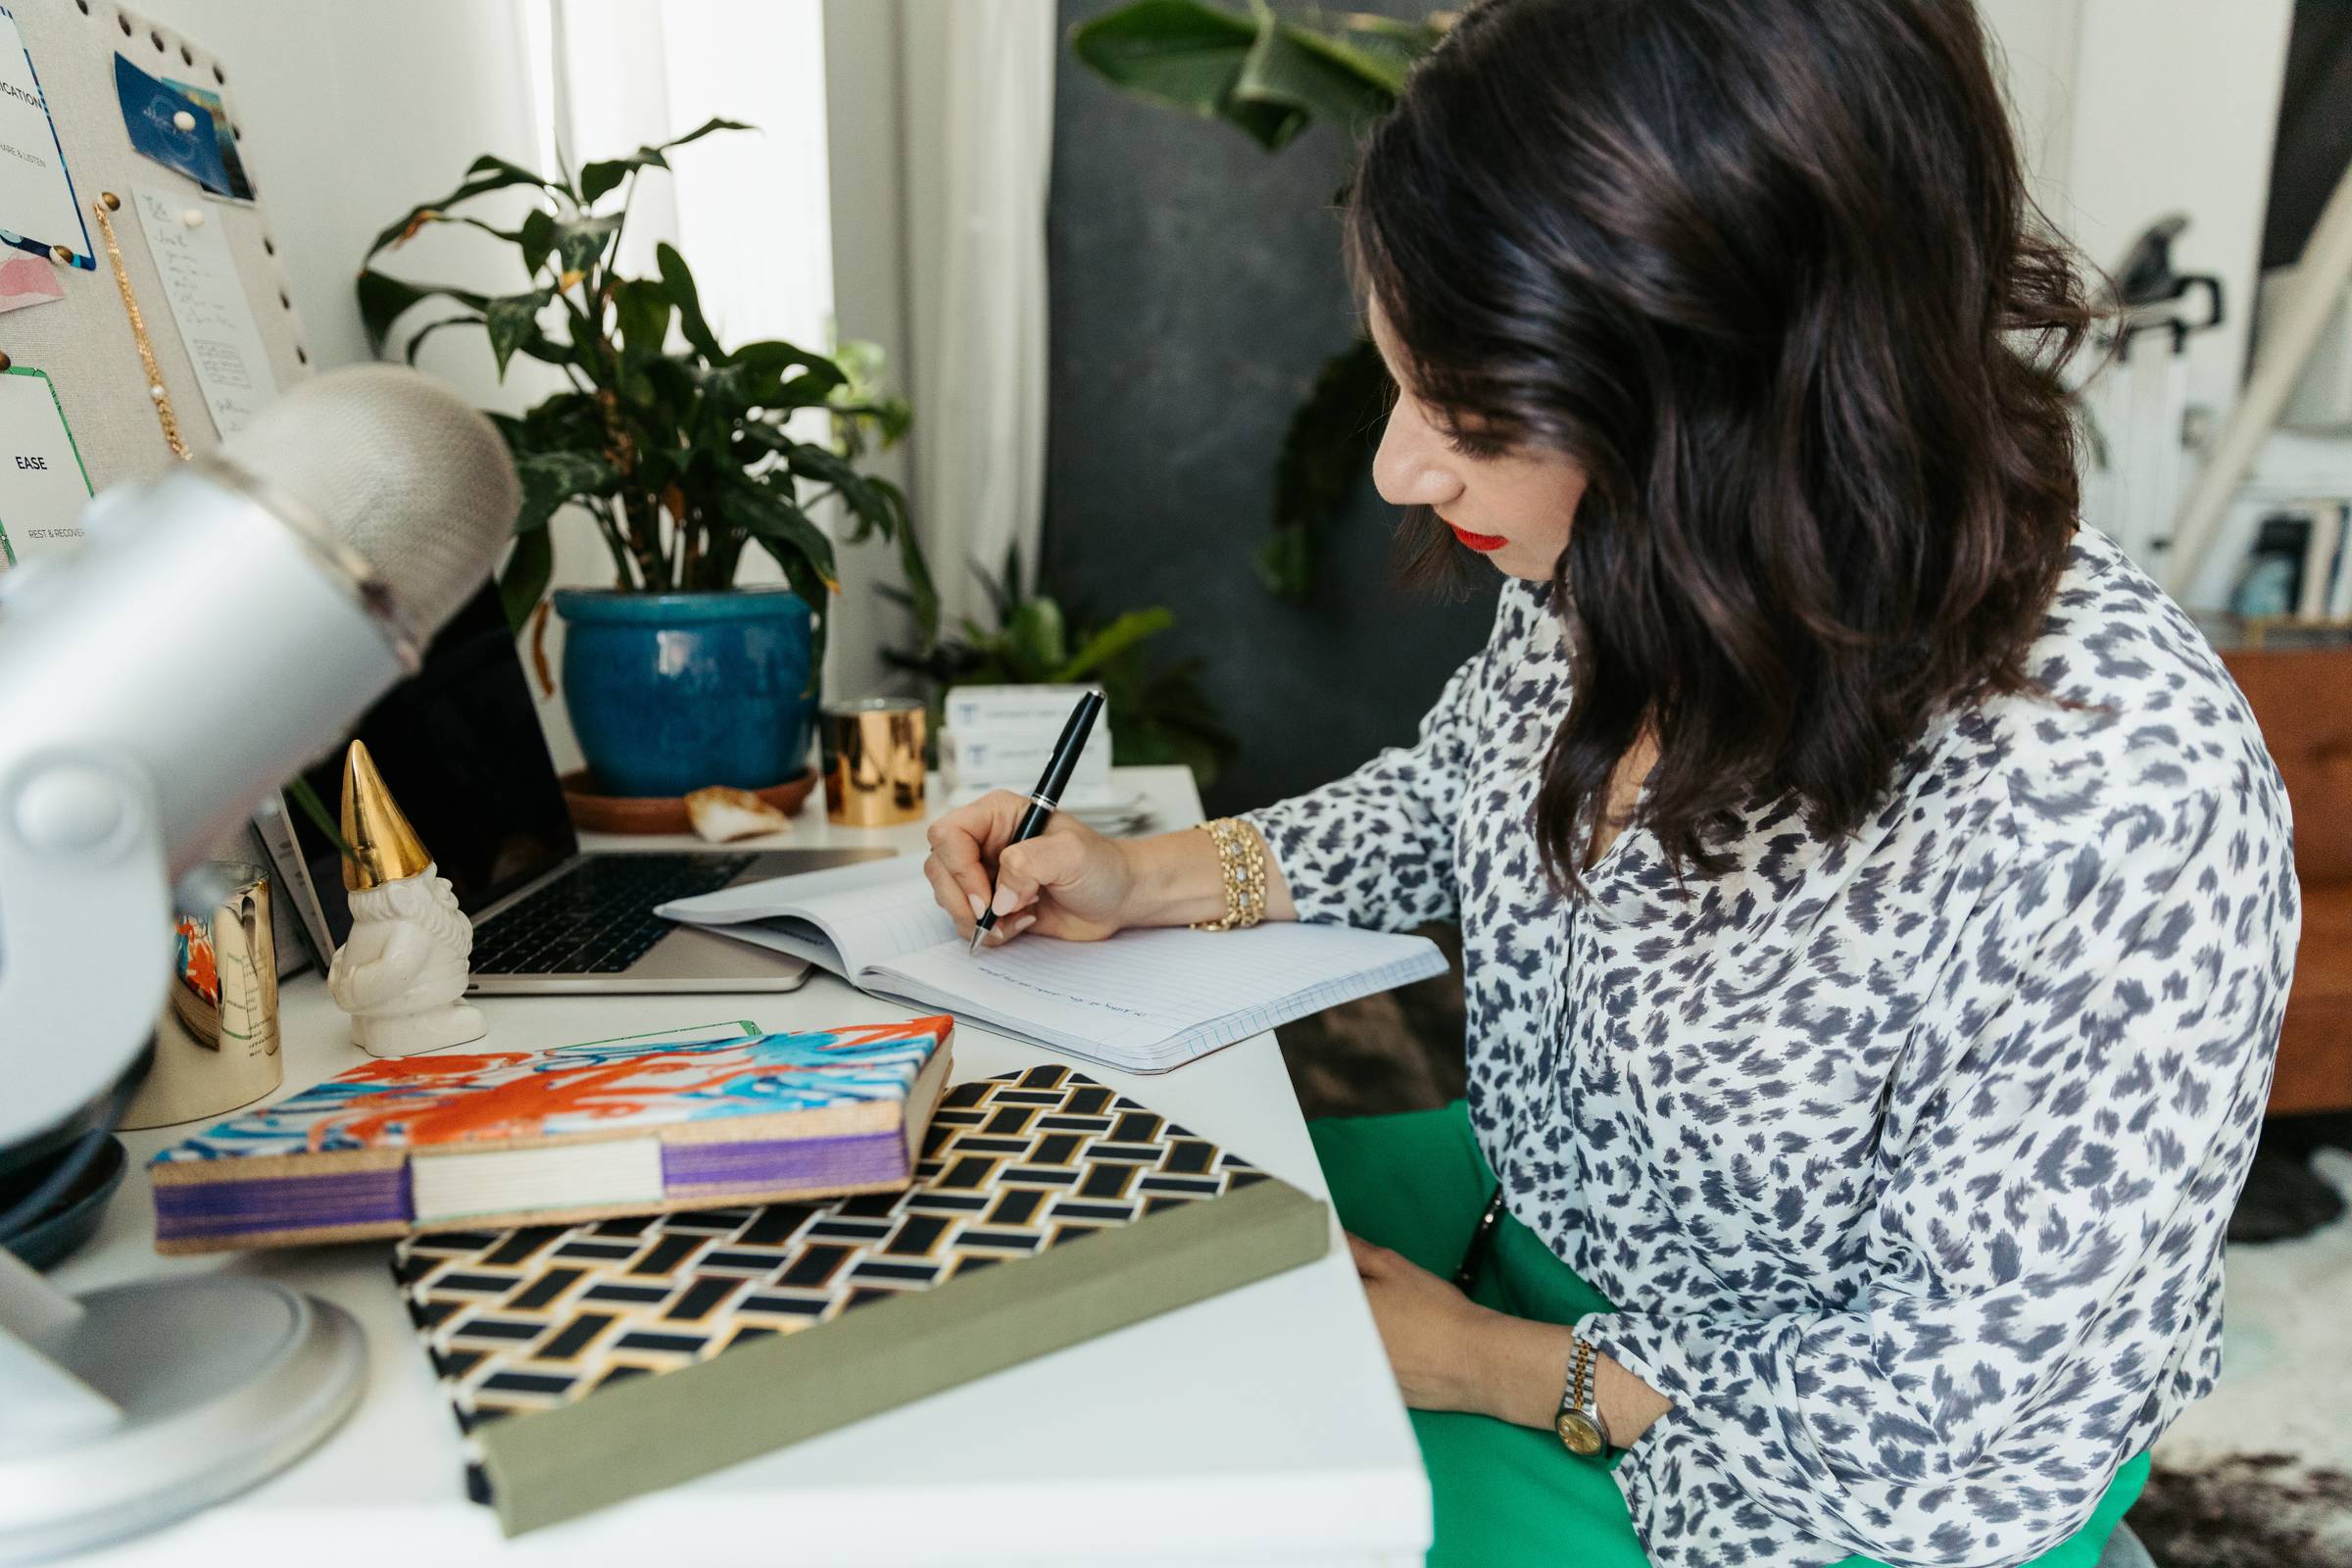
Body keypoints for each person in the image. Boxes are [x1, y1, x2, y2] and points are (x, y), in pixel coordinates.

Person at [922, 1, 2299, 1563]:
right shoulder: (1642, 552)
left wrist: (1489, 1365)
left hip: (1787, 1465)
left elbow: (1956, 1427)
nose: (1398, 471)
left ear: (1735, 400)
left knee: (1154, 1497)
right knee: (1039, 1261)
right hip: (1535, 1228)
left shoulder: (2113, 796)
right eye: (1401, 381)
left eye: (1477, 414)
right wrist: (1137, 874)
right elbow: (1463, 798)